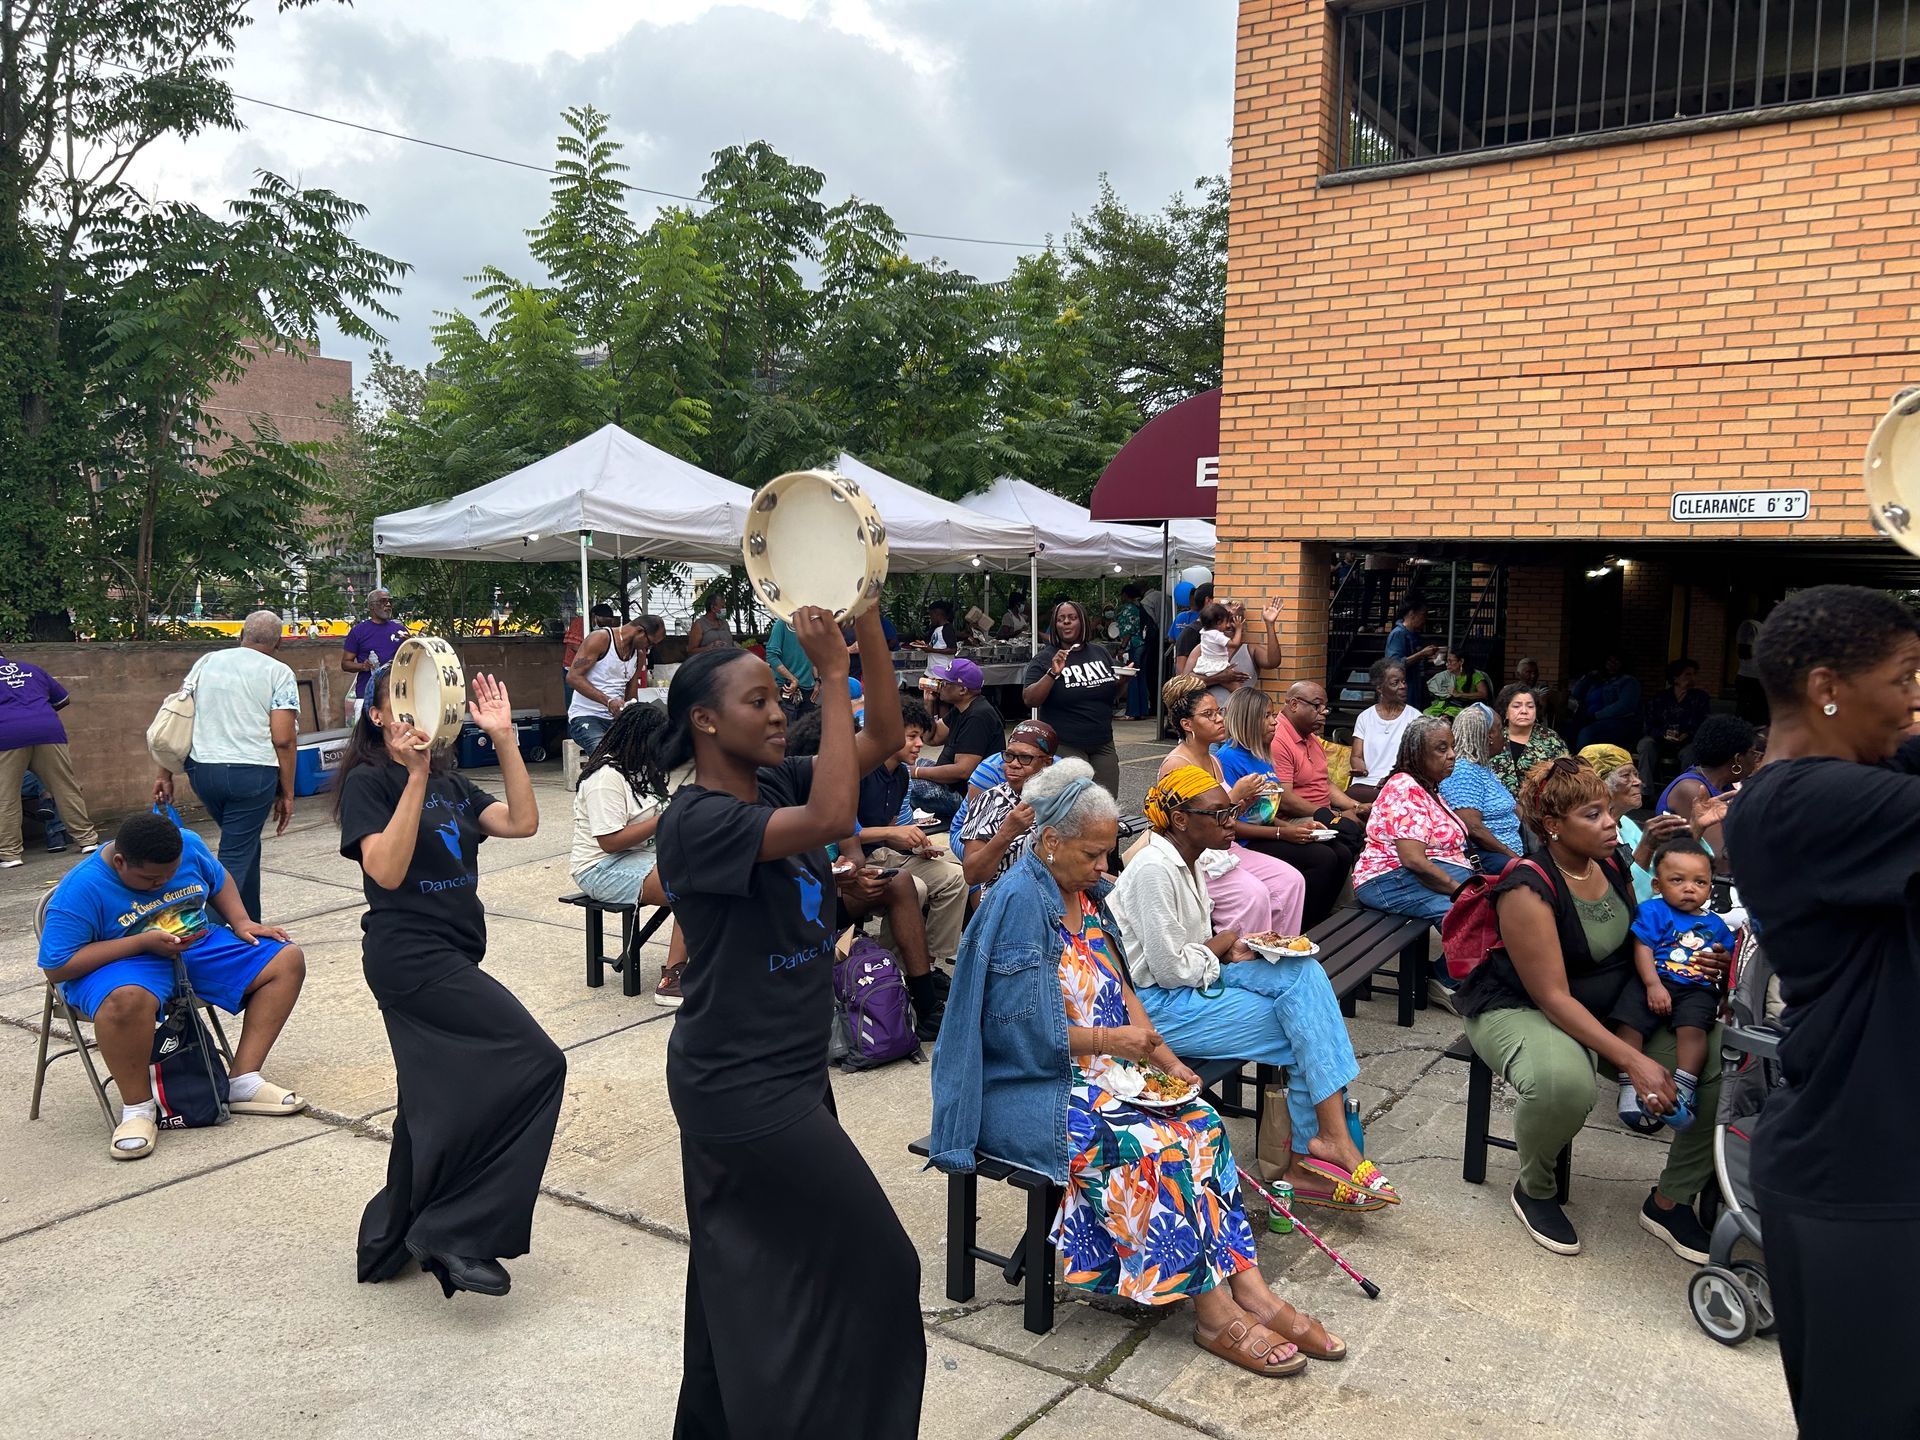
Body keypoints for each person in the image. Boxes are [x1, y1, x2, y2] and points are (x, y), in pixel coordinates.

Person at [931, 762, 1347, 1379]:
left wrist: (1168, 1061)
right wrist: (1110, 1042)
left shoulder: (1086, 896)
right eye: (1094, 853)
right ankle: (1211, 1311)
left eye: (1107, 853)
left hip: (1101, 1070)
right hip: (1031, 1085)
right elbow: (1014, 1036)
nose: (1106, 867)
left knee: (1201, 1124)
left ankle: (1251, 1291)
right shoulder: (1020, 904)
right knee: (1150, 1144)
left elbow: (1121, 986)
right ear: (1048, 841)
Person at [653, 603, 923, 1436]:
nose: (778, 713)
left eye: (780, 698)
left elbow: (877, 739)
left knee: (743, 1275)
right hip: (739, 1086)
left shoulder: (771, 780)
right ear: (704, 721)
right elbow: (833, 820)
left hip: (790, 1071)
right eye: (757, 702)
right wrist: (831, 674)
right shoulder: (694, 821)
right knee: (880, 1264)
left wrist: (867, 625)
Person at [1721, 585, 1920, 1434]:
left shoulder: (1856, 785)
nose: (1916, 698)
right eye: (1906, 676)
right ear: (1828, 686)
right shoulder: (1804, 802)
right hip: (1861, 1180)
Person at [337, 668, 560, 1300]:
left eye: (427, 708)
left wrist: (506, 739)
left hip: (454, 954)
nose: (415, 720)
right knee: (535, 1063)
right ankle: (458, 1230)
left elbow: (522, 823)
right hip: (410, 959)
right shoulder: (369, 783)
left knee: (424, 1101)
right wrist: (411, 777)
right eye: (400, 708)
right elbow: (385, 869)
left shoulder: (453, 784)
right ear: (378, 717)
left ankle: (389, 1237)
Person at [1458, 756, 1723, 1262]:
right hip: (1520, 1006)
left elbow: (1655, 917)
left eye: (1608, 811)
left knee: (1720, 1062)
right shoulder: (1527, 887)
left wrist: (1695, 957)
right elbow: (1552, 996)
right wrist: (1633, 1061)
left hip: (1607, 1004)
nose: (1610, 823)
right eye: (1594, 814)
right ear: (1553, 827)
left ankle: (1670, 1200)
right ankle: (1535, 1187)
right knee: (1564, 1083)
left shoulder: (1610, 863)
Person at [1114, 764, 1397, 1212]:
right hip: (1155, 1006)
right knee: (1305, 1024)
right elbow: (1167, 970)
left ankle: (1324, 1144)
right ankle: (1314, 1153)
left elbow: (1188, 952)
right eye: (1220, 815)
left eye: (1232, 813)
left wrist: (1234, 948)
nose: (1232, 823)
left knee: (1304, 973)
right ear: (1182, 820)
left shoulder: (1188, 859)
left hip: (1193, 979)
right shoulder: (1153, 869)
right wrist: (1223, 943)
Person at [37, 811, 308, 1161]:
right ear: (120, 862)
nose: (163, 883)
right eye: (152, 879)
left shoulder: (189, 844)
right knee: (126, 999)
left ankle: (242, 1080)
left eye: (171, 874)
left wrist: (241, 921)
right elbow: (56, 967)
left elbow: (218, 877)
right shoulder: (82, 887)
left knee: (286, 959)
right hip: (119, 962)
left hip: (194, 945)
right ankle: (138, 1109)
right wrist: (141, 943)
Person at [154, 611, 298, 922]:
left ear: (241, 636)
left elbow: (178, 715)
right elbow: (284, 739)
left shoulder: (207, 662)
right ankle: (206, 932)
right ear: (279, 643)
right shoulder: (279, 671)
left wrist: (163, 772)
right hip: (252, 774)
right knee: (235, 855)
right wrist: (288, 792)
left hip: (203, 770)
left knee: (244, 847)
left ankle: (249, 923)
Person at [1159, 675, 1306, 937]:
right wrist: (1236, 796)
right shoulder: (1177, 764)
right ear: (1187, 724)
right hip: (1197, 855)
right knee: (1254, 893)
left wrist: (1246, 801)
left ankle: (1279, 951)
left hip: (1225, 847)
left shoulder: (1213, 761)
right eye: (1208, 714)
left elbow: (1226, 815)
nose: (1218, 719)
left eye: (1219, 712)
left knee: (1290, 881)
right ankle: (1239, 958)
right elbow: (1185, 823)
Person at [569, 701, 689, 1008]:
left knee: (712, 869)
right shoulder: (606, 777)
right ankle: (673, 978)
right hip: (600, 866)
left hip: (640, 857)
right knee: (689, 885)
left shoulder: (643, 768)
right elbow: (610, 841)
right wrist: (662, 820)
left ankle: (707, 964)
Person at [1609, 838, 1733, 1132]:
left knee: (1694, 1029)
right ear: (1657, 885)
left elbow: (1726, 958)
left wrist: (1725, 966)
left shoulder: (1716, 924)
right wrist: (1652, 985)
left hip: (1696, 987)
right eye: (1677, 880)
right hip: (1654, 979)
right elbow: (1643, 947)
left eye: (1700, 882)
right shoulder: (1654, 911)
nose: (1689, 888)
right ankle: (1630, 1086)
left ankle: (1684, 1087)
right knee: (1629, 1022)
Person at [846, 698, 967, 976]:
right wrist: (893, 833)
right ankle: (889, 969)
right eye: (911, 736)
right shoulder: (860, 770)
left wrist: (914, 846)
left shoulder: (901, 775)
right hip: (853, 860)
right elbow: (843, 833)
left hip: (885, 855)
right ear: (888, 733)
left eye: (921, 737)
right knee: (915, 888)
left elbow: (890, 835)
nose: (919, 744)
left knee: (955, 878)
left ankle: (929, 963)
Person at [1217, 688, 1353, 927]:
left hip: (1267, 831)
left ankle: (1325, 921)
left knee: (1341, 851)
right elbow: (1233, 824)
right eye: (1267, 716)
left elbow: (1264, 814)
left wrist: (1299, 829)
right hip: (1245, 841)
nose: (1274, 722)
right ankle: (1304, 926)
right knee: (1322, 859)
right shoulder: (1228, 758)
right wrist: (1284, 832)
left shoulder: (1261, 755)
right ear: (1248, 719)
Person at [1353, 717, 1474, 922]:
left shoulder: (1427, 786)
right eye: (1441, 749)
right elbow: (1413, 860)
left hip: (1413, 876)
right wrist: (1460, 890)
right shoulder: (1405, 788)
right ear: (1419, 755)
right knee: (1463, 917)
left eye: (1452, 747)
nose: (1452, 755)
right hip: (1388, 879)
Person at [0, 649, 100, 867]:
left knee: (6, 795)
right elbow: (62, 699)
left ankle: (10, 854)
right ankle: (87, 840)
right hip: (48, 730)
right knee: (65, 786)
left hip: (6, 736)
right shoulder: (31, 669)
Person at [1020, 599, 1121, 794]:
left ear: (1082, 622)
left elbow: (1112, 695)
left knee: (1107, 800)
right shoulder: (1044, 658)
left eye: (1072, 618)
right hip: (1066, 743)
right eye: (1061, 619)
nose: (1066, 622)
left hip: (1103, 742)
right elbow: (1030, 699)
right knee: (1074, 802)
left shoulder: (1100, 653)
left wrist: (1124, 681)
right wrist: (1052, 673)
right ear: (1055, 625)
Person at [1267, 680, 1371, 849]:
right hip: (1295, 819)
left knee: (1365, 823)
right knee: (1348, 832)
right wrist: (1334, 815)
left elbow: (1325, 783)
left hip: (1322, 812)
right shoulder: (1278, 739)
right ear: (1294, 704)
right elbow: (1285, 800)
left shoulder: (1311, 737)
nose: (1325, 712)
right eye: (1317, 705)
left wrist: (1356, 806)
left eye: (1325, 706)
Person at [1654, 712, 1760, 873]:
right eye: (1753, 753)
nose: (1756, 760)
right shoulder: (1692, 789)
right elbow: (1721, 858)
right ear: (1738, 759)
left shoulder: (1725, 787)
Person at [959, 719, 1056, 890]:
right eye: (1009, 756)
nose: (1013, 764)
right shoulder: (990, 801)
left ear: (1047, 763)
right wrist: (1007, 833)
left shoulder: (1064, 799)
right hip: (1008, 899)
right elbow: (972, 874)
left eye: (1025, 758)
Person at [910, 656, 1002, 822]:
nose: (940, 686)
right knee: (906, 765)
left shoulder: (978, 716)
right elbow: (932, 738)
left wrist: (916, 773)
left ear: (962, 690)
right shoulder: (962, 708)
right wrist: (929, 704)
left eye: (945, 683)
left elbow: (962, 771)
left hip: (962, 796)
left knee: (904, 784)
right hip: (949, 784)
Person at [566, 612, 666, 757]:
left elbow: (631, 694)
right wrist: (608, 701)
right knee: (604, 758)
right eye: (650, 642)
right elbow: (573, 677)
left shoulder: (639, 654)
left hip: (616, 720)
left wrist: (633, 714)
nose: (649, 648)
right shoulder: (601, 639)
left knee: (646, 755)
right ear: (639, 631)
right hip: (587, 716)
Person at [1440, 703, 1523, 872]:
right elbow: (1473, 828)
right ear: (1489, 736)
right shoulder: (1463, 771)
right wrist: (1514, 858)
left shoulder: (1481, 768)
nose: (1505, 735)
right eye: (1500, 729)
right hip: (1487, 858)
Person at [1176, 595, 1287, 707]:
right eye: (1225, 621)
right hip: (1208, 719)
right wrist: (1218, 678)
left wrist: (1270, 624)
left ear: (1241, 623)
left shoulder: (1249, 650)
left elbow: (1273, 662)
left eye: (1234, 620)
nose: (1229, 625)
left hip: (1240, 718)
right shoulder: (1202, 648)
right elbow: (1186, 683)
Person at [1634, 658, 1711, 786]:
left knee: (1691, 753)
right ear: (1675, 677)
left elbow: (1703, 722)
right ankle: (1645, 790)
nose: (1692, 678)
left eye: (1693, 674)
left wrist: (1687, 734)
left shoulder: (1700, 698)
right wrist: (1663, 734)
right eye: (1687, 674)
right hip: (1661, 740)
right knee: (1646, 745)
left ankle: (1683, 790)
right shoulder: (1660, 698)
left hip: (1687, 742)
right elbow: (1649, 723)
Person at [340, 588, 410, 728]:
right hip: (367, 696)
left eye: (390, 601)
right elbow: (345, 664)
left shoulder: (400, 631)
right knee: (367, 742)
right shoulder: (359, 632)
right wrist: (363, 666)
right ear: (371, 606)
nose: (388, 604)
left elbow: (410, 662)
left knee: (395, 738)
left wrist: (410, 645)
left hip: (395, 696)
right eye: (383, 601)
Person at [1348, 658, 1414, 801]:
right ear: (1379, 688)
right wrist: (1360, 769)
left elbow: (1417, 761)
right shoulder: (1365, 717)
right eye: (1395, 683)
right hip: (1366, 784)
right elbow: (1356, 756)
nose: (1403, 686)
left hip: (1398, 785)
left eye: (1403, 681)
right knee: (1351, 799)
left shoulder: (1415, 718)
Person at [1486, 683, 1569, 796]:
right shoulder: (1493, 736)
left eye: (1530, 706)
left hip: (1540, 807)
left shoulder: (1551, 739)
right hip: (1496, 806)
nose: (1524, 711)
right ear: (1505, 711)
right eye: (1516, 706)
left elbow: (1565, 776)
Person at [1569, 652, 1642, 749]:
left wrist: (1596, 715)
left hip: (1616, 721)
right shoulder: (1597, 681)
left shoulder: (1628, 681)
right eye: (1609, 661)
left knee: (1587, 733)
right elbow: (1575, 693)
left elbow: (1624, 706)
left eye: (1616, 661)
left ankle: (1581, 762)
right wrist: (1586, 677)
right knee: (1567, 729)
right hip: (1587, 718)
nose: (1612, 665)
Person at [1384, 599, 1439, 701]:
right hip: (1403, 689)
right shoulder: (1398, 634)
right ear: (1412, 614)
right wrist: (1421, 654)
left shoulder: (1414, 635)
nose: (1425, 619)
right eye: (1423, 615)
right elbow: (1395, 664)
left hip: (1415, 686)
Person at [765, 614, 818, 714]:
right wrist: (792, 679)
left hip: (808, 688)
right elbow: (771, 656)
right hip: (787, 687)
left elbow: (814, 656)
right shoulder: (781, 625)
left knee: (808, 727)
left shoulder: (810, 627)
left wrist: (817, 681)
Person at [1113, 583, 1151, 719]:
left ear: (1125, 595)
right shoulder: (1139, 607)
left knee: (1131, 676)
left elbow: (1128, 631)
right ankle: (1142, 710)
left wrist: (1122, 647)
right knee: (1140, 677)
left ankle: (1132, 712)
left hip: (1133, 645)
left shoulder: (1128, 608)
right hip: (1143, 643)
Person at [1425, 646, 1491, 718]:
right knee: (1427, 714)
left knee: (1447, 716)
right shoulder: (1445, 676)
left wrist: (1460, 694)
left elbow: (1483, 694)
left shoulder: (1475, 675)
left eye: (1451, 661)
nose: (1447, 664)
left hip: (1464, 707)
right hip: (1444, 704)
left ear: (1461, 661)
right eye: (1447, 661)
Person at [562, 603, 618, 669]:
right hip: (572, 667)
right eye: (601, 622)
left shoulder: (604, 630)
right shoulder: (580, 623)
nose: (603, 626)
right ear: (593, 616)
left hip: (591, 668)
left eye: (607, 624)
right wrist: (595, 655)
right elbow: (573, 646)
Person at [687, 586, 734, 653]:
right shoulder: (700, 624)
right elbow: (691, 650)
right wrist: (709, 648)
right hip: (708, 661)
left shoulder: (725, 623)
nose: (724, 610)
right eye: (722, 607)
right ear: (713, 608)